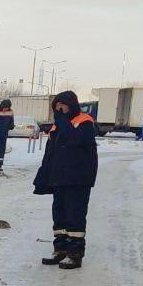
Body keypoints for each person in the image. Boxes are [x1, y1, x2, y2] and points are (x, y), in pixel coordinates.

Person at [33, 91, 98, 271]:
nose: (59, 110)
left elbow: (76, 141)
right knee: (59, 215)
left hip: (78, 178)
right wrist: (44, 174)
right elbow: (50, 153)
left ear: (71, 105)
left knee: (75, 215)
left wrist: (61, 121)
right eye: (56, 107)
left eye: (62, 106)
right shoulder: (58, 125)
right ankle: (60, 250)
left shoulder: (84, 122)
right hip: (59, 178)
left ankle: (75, 254)